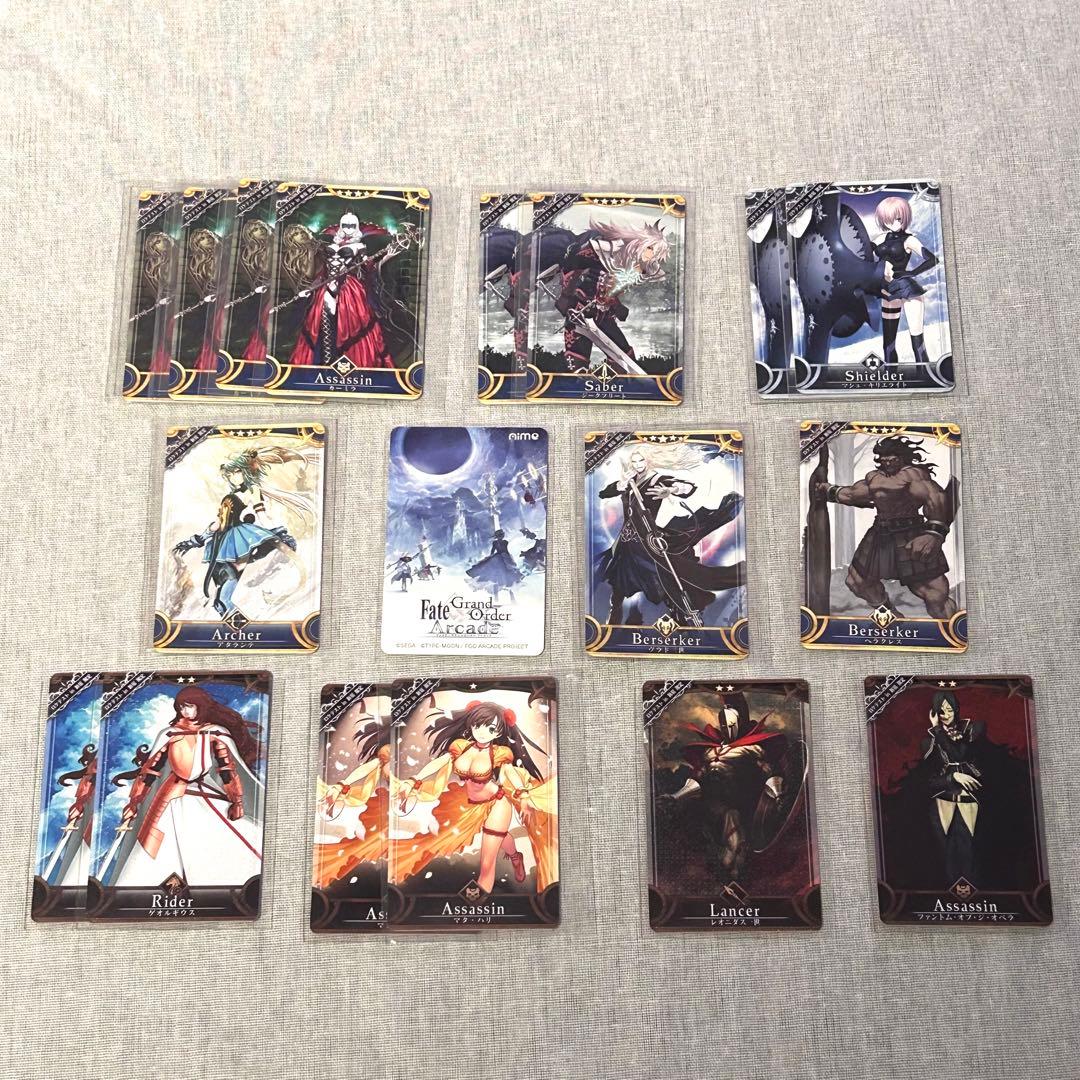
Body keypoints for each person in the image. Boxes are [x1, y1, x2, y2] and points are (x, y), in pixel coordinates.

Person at [105, 687, 263, 888]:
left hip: (205, 790)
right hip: (171, 794)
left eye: (190, 707)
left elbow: (227, 769)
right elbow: (150, 771)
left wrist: (236, 800)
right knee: (159, 843)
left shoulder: (214, 732)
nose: (185, 711)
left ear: (201, 707)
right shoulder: (170, 733)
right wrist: (134, 802)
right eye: (181, 707)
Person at [393, 701, 556, 895]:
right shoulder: (460, 747)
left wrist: (523, 793)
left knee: (487, 862)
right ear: (471, 724)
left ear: (498, 732)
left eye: (491, 729)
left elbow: (510, 772)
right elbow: (440, 763)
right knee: (500, 836)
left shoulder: (499, 753)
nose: (482, 732)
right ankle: (515, 856)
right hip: (469, 804)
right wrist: (413, 781)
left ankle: (477, 900)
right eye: (478, 725)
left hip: (497, 802)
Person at [817, 435, 956, 619]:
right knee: (858, 582)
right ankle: (892, 617)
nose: (888, 464)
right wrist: (828, 490)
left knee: (934, 594)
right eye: (884, 460)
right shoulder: (875, 478)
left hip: (910, 534)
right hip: (879, 534)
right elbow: (852, 494)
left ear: (902, 458)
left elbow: (937, 500)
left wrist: (934, 534)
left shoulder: (914, 477)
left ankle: (949, 626)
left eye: (892, 460)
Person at [871, 196, 939, 367]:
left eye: (898, 218)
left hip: (909, 290)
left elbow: (932, 259)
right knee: (888, 344)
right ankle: (891, 377)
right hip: (888, 291)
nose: (893, 222)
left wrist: (910, 273)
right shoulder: (880, 239)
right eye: (888, 219)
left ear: (905, 217)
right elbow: (862, 253)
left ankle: (925, 376)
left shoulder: (910, 240)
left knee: (917, 342)